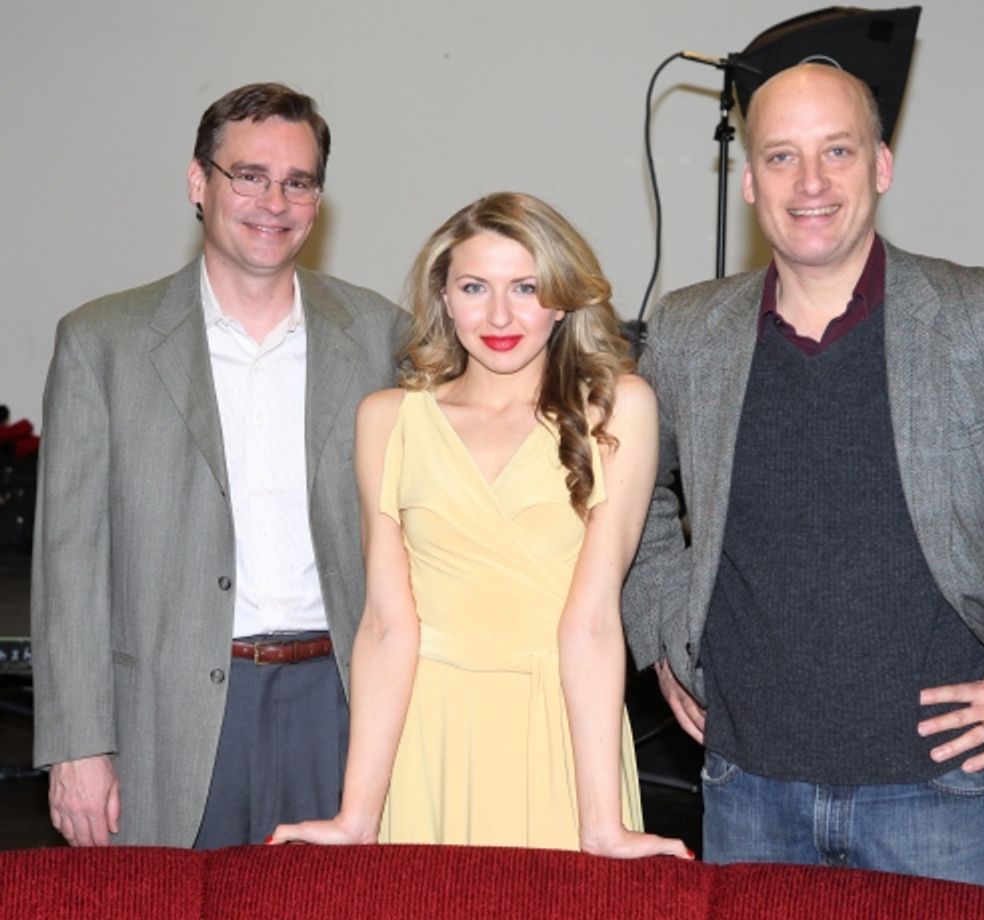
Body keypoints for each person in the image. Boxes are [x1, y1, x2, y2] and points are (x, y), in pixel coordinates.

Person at [622, 62, 984, 886]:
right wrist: (663, 632)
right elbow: (630, 490)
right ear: (749, 181)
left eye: (838, 151)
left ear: (881, 166)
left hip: (936, 797)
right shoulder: (687, 332)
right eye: (781, 156)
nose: (810, 182)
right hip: (746, 786)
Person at [32, 82, 405, 848]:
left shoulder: (382, 337)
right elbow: (70, 560)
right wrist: (77, 743)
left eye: (298, 182)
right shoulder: (103, 343)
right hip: (167, 718)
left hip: (340, 707)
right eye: (251, 176)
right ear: (199, 182)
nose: (275, 202)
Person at [271, 192, 688, 858]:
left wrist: (602, 826)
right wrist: (356, 817)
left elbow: (591, 623)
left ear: (561, 300)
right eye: (474, 287)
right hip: (427, 733)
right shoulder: (387, 419)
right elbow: (385, 626)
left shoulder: (618, 410)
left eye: (525, 287)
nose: (499, 316)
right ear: (443, 296)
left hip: (560, 732)